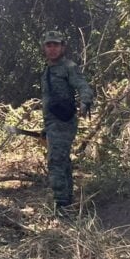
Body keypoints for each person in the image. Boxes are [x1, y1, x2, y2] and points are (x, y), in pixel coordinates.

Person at [40, 30, 94, 215]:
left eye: (56, 45)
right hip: (51, 123)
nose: (52, 49)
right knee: (62, 161)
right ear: (44, 48)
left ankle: (61, 206)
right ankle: (67, 201)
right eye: (49, 45)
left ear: (63, 47)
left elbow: (83, 86)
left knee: (56, 161)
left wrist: (85, 102)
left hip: (64, 122)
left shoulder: (69, 67)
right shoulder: (47, 69)